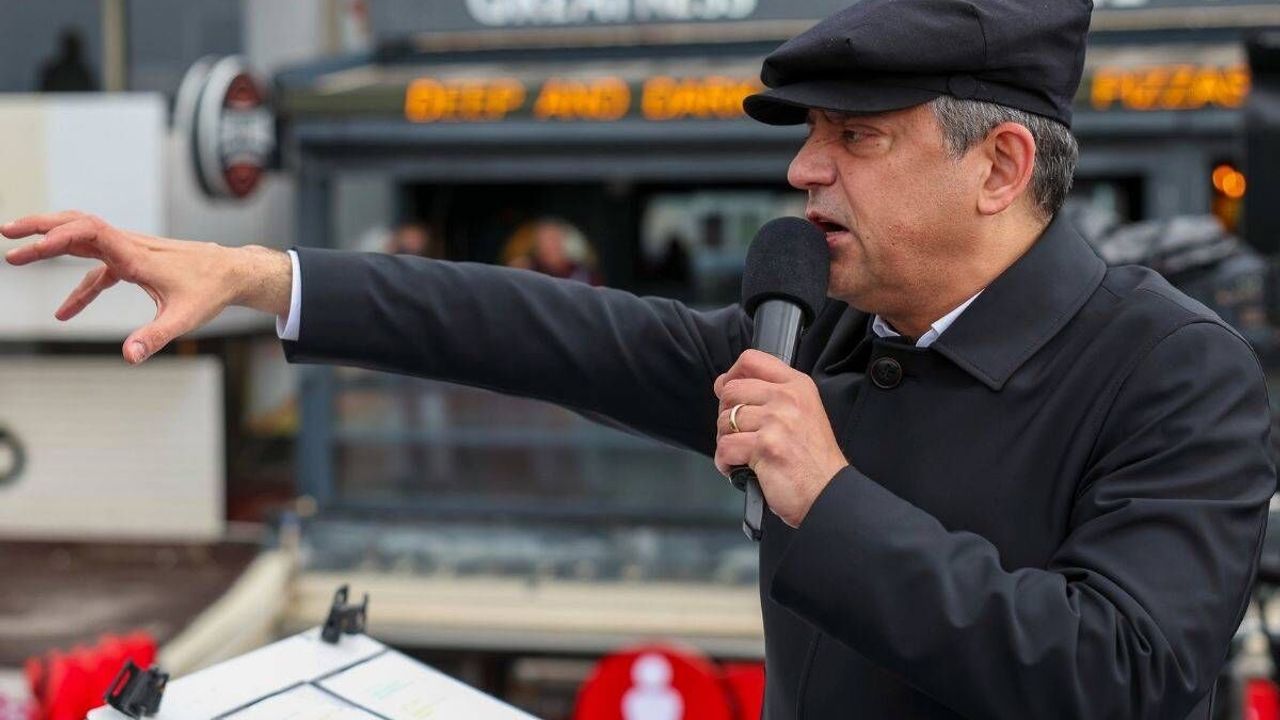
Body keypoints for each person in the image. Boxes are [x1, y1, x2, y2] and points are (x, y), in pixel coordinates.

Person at [1, 0, 1273, 716]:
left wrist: (829, 498)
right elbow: (540, 331)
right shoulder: (817, 334)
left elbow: (1123, 678)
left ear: (997, 167)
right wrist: (262, 277)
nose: (803, 170)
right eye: (809, 134)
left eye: (855, 138)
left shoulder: (1175, 373)